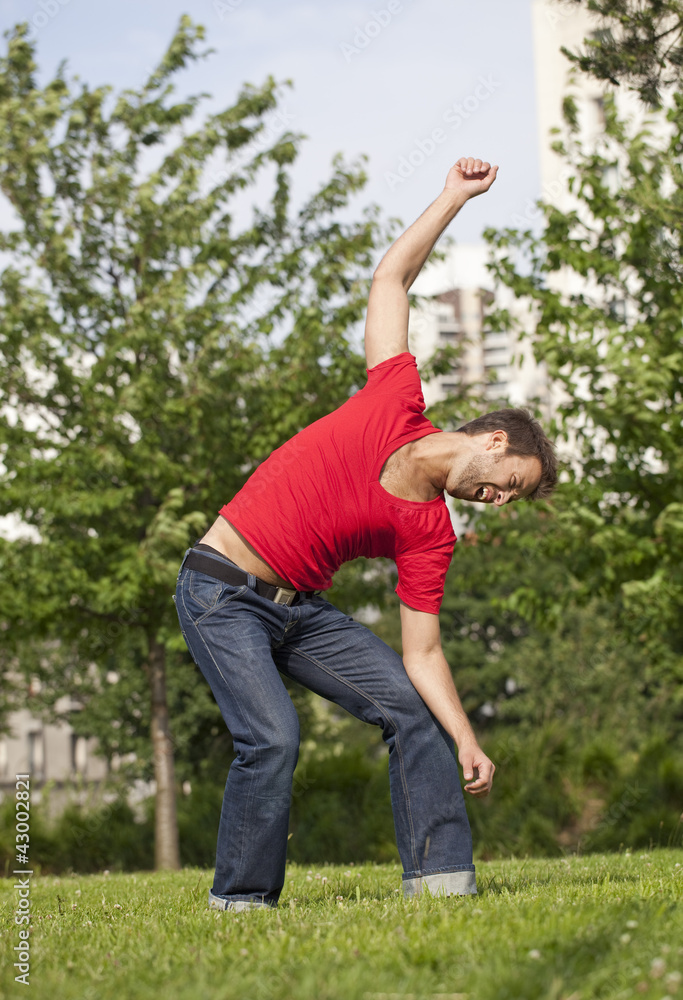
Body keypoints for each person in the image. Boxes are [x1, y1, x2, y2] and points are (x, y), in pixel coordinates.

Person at [174, 157, 557, 912]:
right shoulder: (395, 395)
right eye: (507, 483)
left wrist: (466, 736)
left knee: (413, 710)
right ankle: (240, 904)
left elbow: (423, 652)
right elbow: (392, 280)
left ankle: (441, 885)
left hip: (299, 613)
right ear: (493, 441)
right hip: (220, 591)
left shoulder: (431, 533)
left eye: (507, 499)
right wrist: (452, 197)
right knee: (272, 738)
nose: (497, 500)